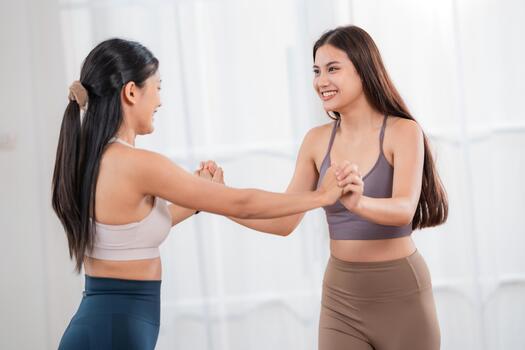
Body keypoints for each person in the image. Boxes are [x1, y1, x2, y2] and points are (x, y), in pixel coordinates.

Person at [51, 38, 343, 350]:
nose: (160, 101)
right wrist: (321, 196)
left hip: (101, 325)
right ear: (132, 91)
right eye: (158, 87)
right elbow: (242, 204)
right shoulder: (137, 164)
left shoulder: (89, 157)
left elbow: (132, 232)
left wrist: (200, 197)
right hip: (116, 330)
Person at [202, 25, 448, 350]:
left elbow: (404, 209)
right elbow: (282, 220)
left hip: (401, 292)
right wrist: (218, 197)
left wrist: (358, 203)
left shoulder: (403, 132)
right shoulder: (317, 141)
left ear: (364, 69)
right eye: (317, 71)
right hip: (341, 296)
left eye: (333, 69)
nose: (321, 81)